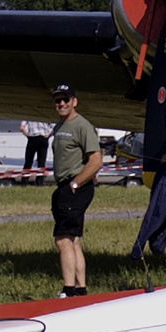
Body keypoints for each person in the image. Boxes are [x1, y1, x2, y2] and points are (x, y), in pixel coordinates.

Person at [49, 85, 102, 297]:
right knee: (73, 240)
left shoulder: (82, 126)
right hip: (63, 186)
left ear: (74, 101)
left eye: (65, 100)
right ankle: (80, 289)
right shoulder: (59, 126)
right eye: (57, 100)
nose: (61, 104)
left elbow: (96, 161)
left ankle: (68, 290)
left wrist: (76, 184)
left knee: (62, 239)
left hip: (75, 187)